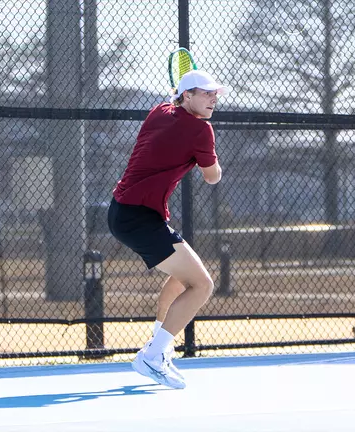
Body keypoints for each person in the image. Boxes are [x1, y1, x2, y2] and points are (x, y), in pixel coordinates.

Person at [107, 69, 225, 389]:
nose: (214, 98)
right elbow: (211, 177)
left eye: (216, 93)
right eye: (206, 93)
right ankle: (153, 354)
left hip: (125, 212)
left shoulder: (159, 110)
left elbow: (171, 114)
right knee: (202, 285)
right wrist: (215, 163)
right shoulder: (202, 130)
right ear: (187, 95)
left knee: (183, 278)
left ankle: (159, 346)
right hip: (138, 217)